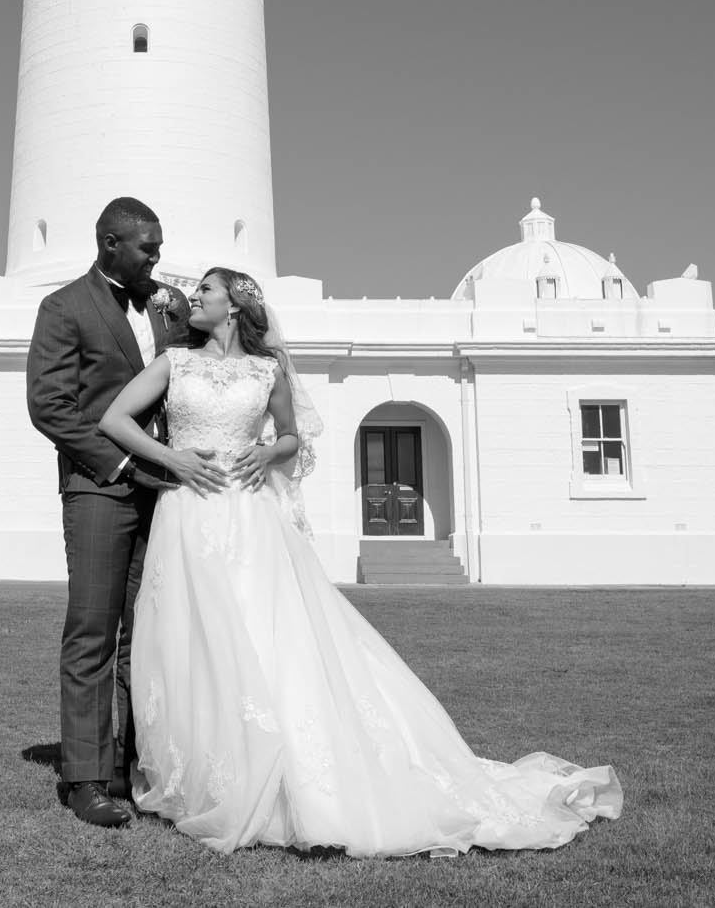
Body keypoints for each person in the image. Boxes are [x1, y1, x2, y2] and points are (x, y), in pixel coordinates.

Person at [97, 266, 624, 856]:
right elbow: (114, 419)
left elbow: (293, 437)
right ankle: (206, 773)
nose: (192, 297)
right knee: (193, 638)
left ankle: (282, 771)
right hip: (188, 513)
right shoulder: (174, 362)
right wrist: (172, 460)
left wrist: (268, 452)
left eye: (206, 290)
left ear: (236, 306)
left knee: (264, 635)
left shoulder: (267, 370)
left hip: (250, 518)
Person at [25, 197, 224, 828]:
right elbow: (50, 407)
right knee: (93, 631)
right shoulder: (63, 308)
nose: (157, 258)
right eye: (147, 248)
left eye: (159, 247)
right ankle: (85, 779)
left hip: (166, 493)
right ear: (111, 243)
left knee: (151, 633)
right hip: (99, 489)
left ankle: (136, 765)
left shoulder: (168, 306)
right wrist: (121, 464)